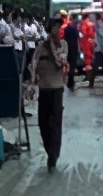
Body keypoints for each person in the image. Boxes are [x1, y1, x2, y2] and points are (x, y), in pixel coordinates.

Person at [32, 17, 69, 172]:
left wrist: (53, 47)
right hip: (43, 89)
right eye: (54, 27)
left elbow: (62, 60)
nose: (56, 30)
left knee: (55, 123)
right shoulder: (41, 47)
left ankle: (53, 157)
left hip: (56, 89)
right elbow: (33, 64)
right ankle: (50, 151)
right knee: (42, 123)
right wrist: (32, 82)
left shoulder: (63, 45)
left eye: (58, 27)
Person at [63, 14, 80, 91]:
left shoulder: (66, 29)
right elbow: (78, 40)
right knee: (72, 67)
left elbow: (64, 39)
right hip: (74, 49)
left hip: (67, 49)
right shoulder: (75, 30)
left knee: (68, 66)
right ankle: (71, 82)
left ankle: (69, 82)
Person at [80, 11, 95, 75]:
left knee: (87, 59)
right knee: (91, 58)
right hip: (92, 42)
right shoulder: (92, 23)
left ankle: (88, 75)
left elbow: (84, 34)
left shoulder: (84, 23)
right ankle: (90, 74)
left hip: (86, 43)